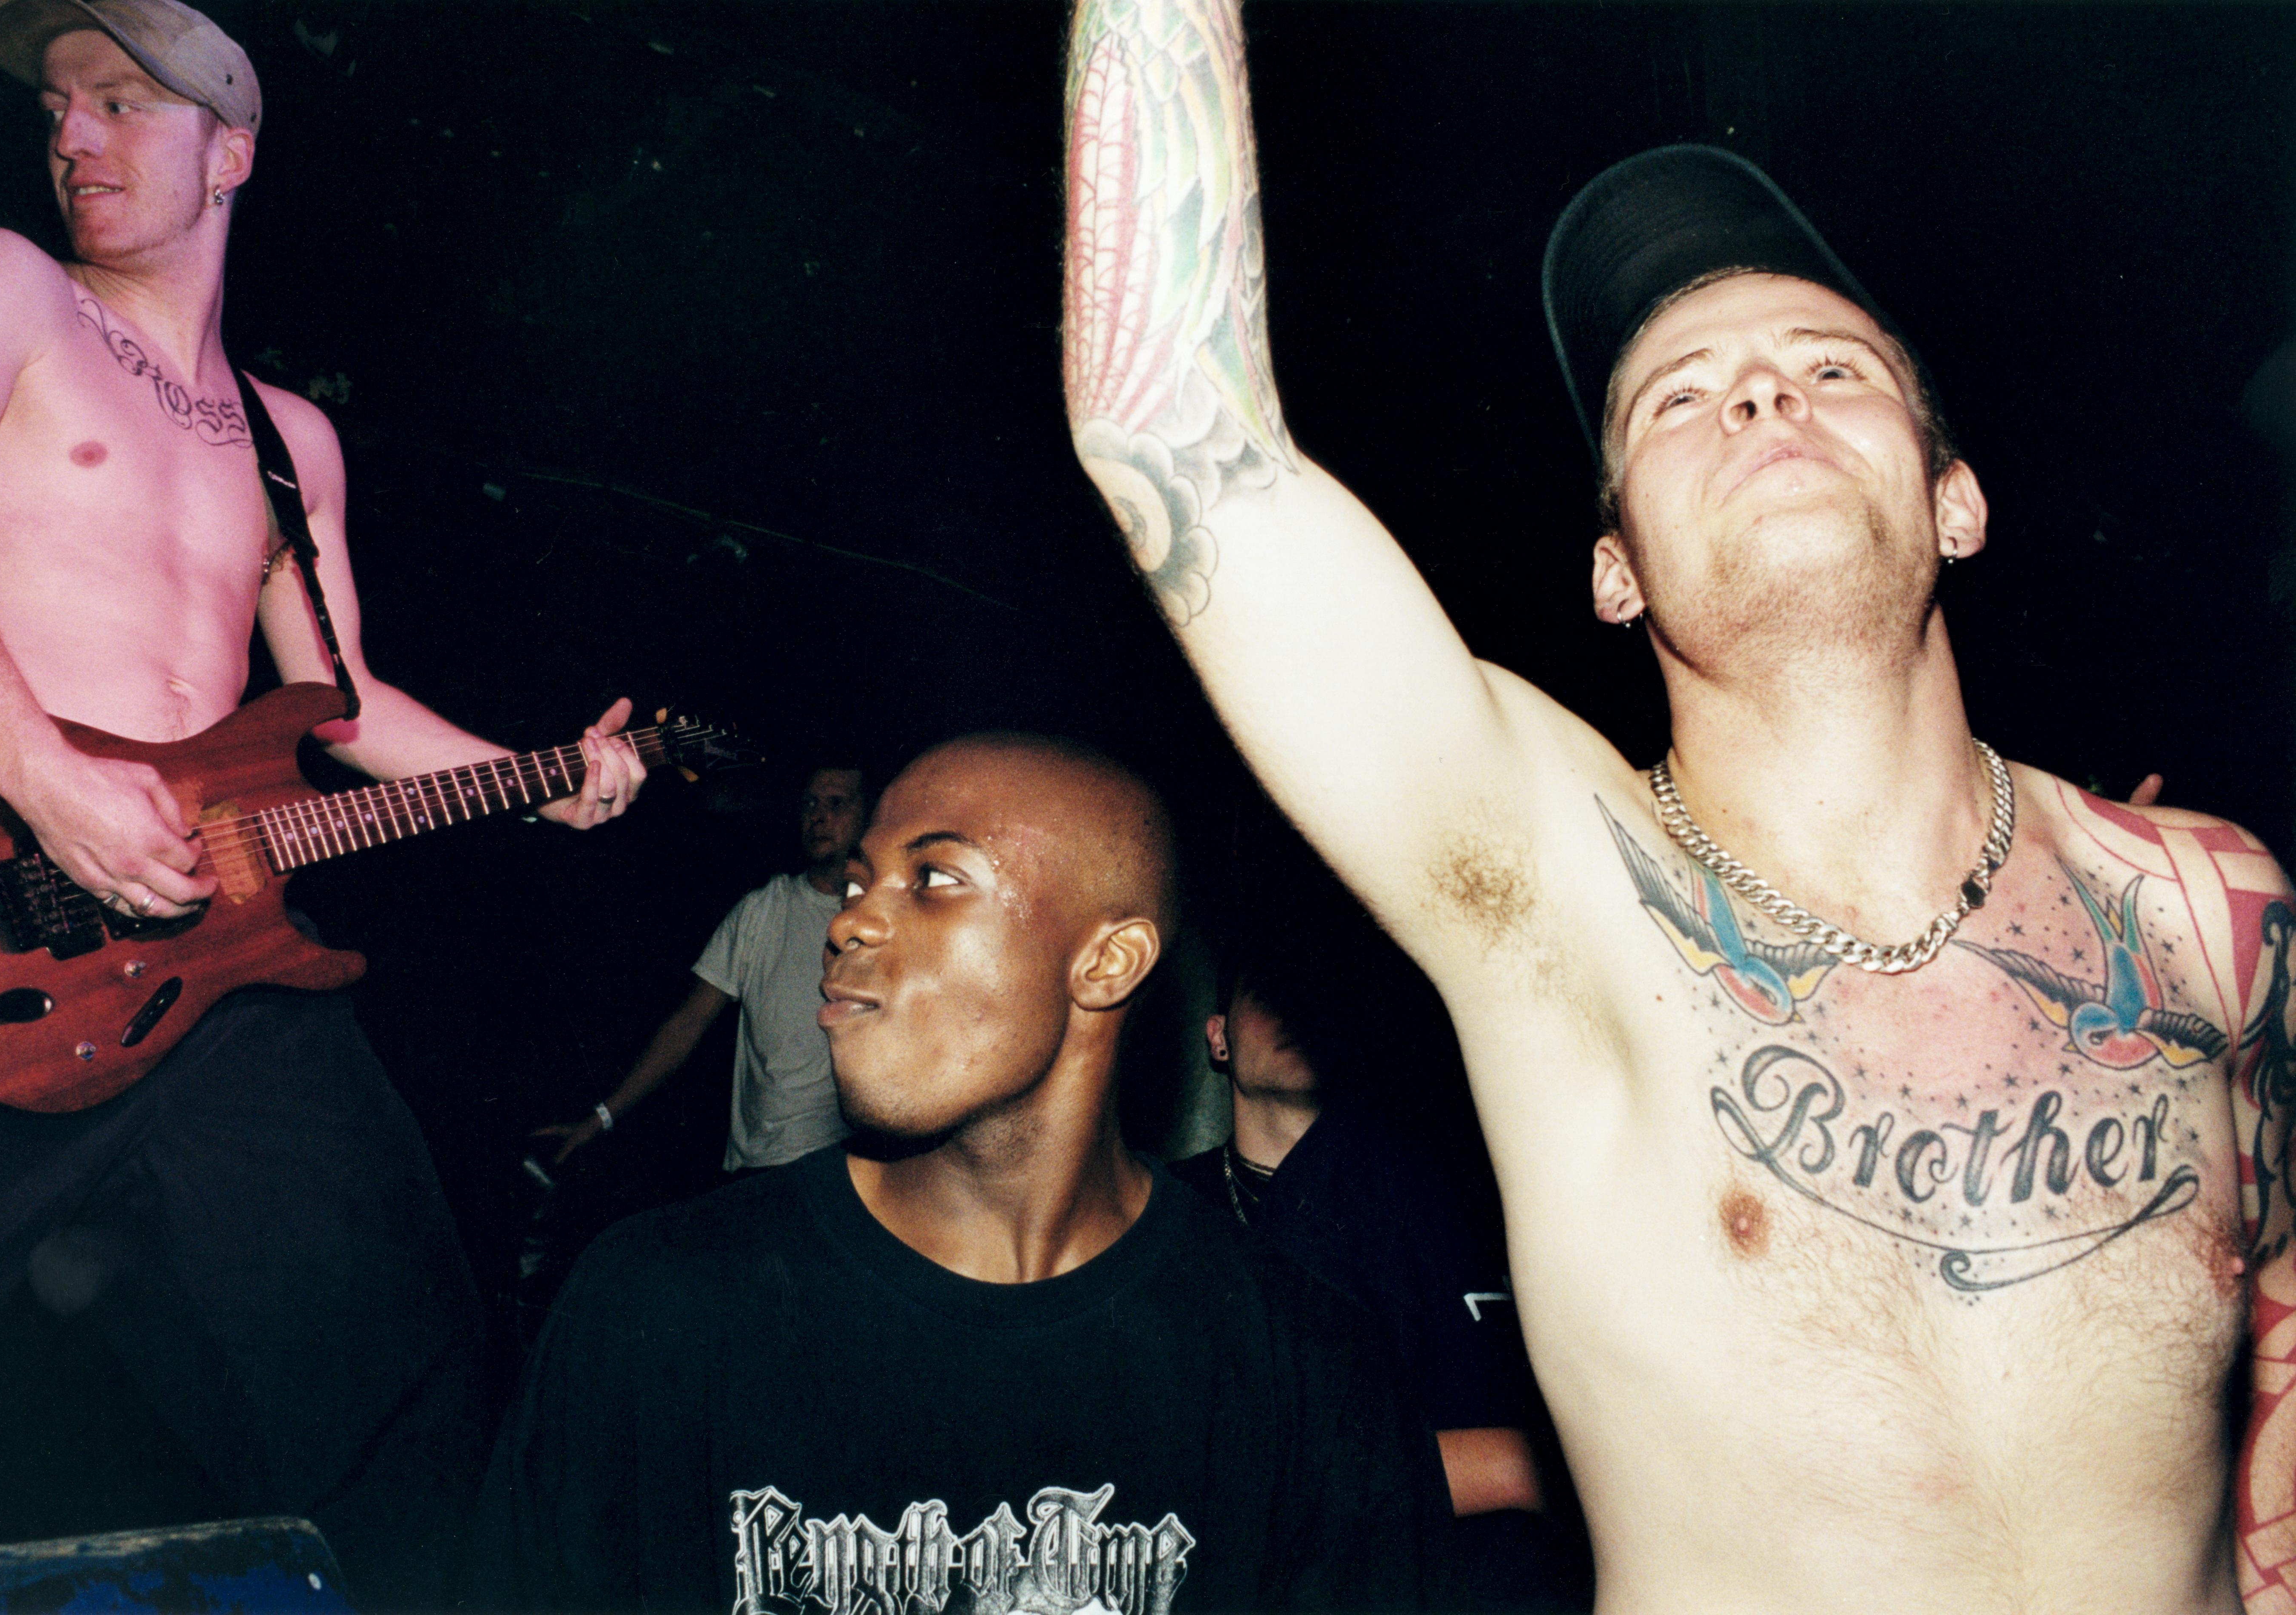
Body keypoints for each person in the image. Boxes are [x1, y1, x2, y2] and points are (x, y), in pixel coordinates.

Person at [1060, 7, 2296, 1609]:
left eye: (1828, 369)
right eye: (1676, 400)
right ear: (1611, 567)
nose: (1764, 402)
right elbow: (1174, 435)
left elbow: (2271, 1290)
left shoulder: (2210, 914)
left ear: (1954, 496)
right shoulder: (1550, 884)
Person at [0, 0, 642, 1601]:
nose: (71, 135)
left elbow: (343, 711)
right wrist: (46, 779)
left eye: (120, 104)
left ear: (228, 150)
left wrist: (545, 779)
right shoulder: (7, 291)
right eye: (59, 108)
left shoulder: (293, 443)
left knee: (402, 1363)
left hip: (207, 967)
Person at [473, 734, 1455, 1612]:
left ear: (1107, 962)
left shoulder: (1308, 1374)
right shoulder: (655, 1309)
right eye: (857, 883)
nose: (850, 922)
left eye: (934, 878)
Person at [1171, 947, 1590, 1609]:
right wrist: (1528, 1466)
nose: (1294, 1011)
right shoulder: (1169, 1215)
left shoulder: (1460, 1201)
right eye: (1266, 993)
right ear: (1218, 1039)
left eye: (1314, 995)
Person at [534, 765, 865, 1172]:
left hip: (847, 1161)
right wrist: (602, 1117)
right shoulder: (762, 909)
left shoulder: (881, 919)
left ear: (868, 815)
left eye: (837, 804)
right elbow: (687, 1023)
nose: (818, 816)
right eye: (810, 803)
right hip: (759, 1165)